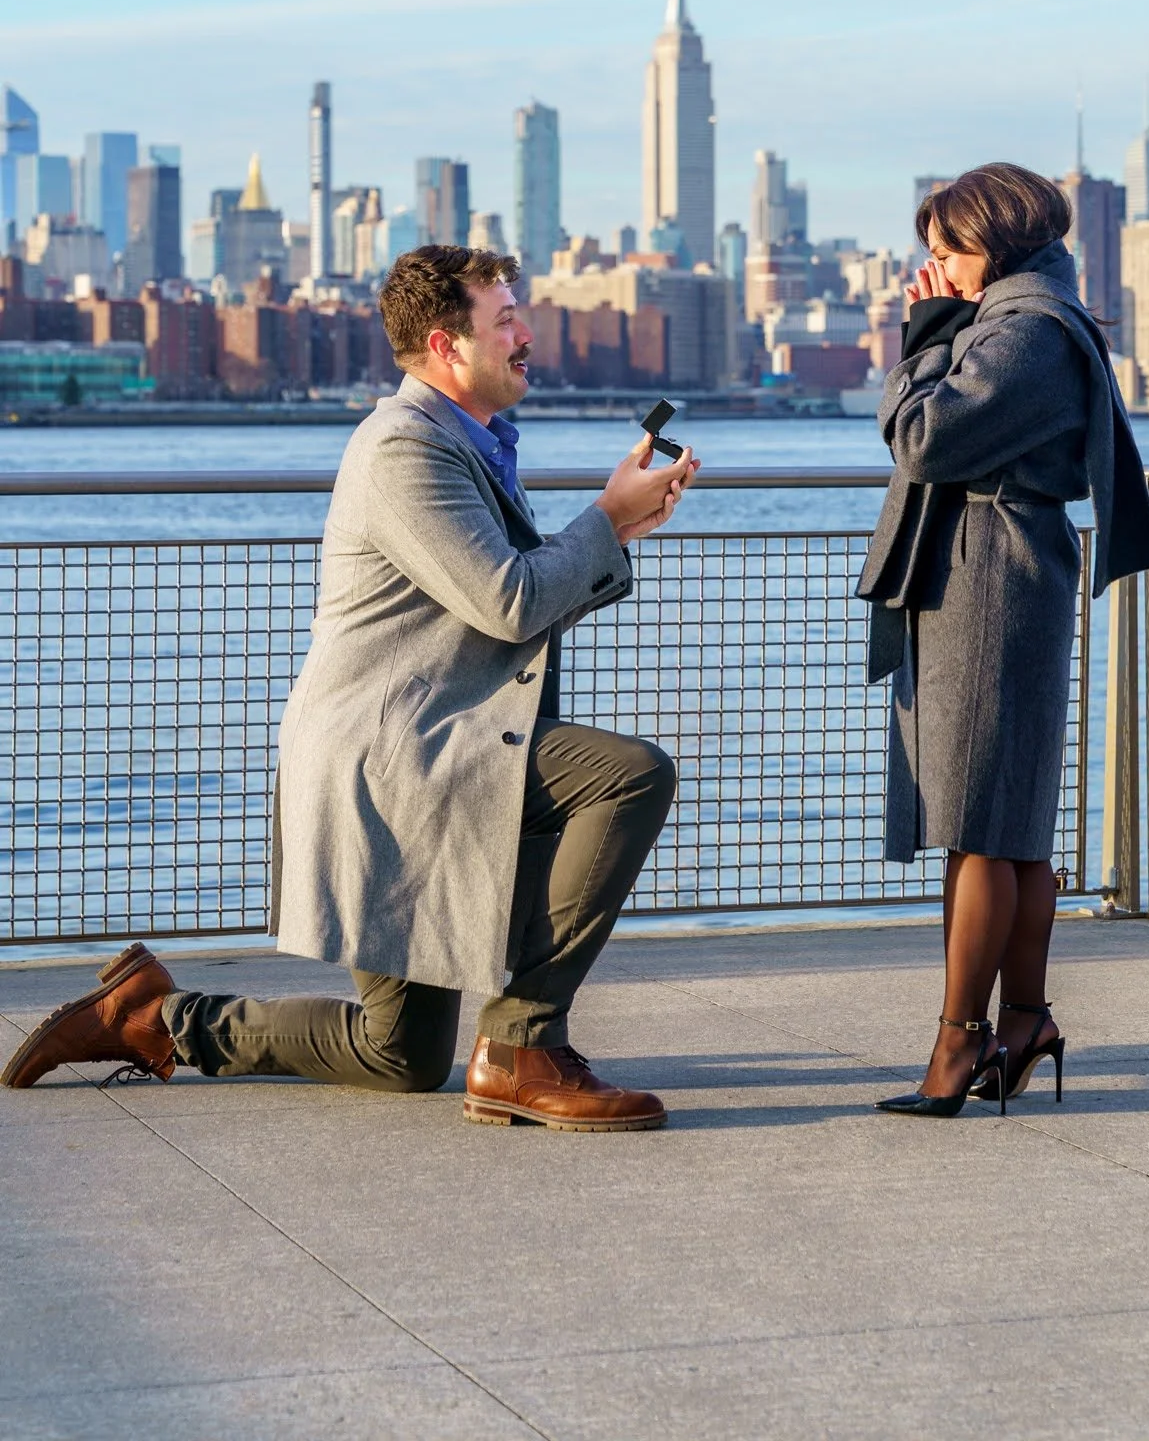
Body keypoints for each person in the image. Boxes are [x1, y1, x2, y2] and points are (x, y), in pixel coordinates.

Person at [4, 246, 700, 1130]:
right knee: (627, 773)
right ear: (448, 346)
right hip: (391, 759)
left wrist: (619, 528)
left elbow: (500, 610)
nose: (527, 332)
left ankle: (157, 1019)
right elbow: (507, 599)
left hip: (445, 740)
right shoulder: (405, 449)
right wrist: (604, 518)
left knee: (397, 1057)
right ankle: (521, 1042)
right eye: (506, 319)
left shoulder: (469, 443)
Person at [858, 163, 1149, 1117]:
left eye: (947, 248)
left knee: (982, 833)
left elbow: (922, 439)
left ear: (997, 241)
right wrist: (944, 327)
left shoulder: (1024, 331)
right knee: (1013, 832)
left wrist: (918, 339)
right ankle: (1024, 1019)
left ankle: (958, 1050)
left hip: (987, 577)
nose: (932, 265)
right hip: (995, 570)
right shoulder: (1026, 316)